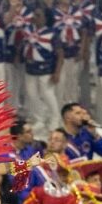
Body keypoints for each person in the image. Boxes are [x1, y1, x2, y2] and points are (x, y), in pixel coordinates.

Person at [20, 7, 62, 135]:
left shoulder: (52, 33)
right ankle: (39, 118)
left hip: (46, 70)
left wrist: (57, 72)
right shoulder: (28, 30)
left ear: (45, 18)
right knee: (32, 95)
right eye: (34, 15)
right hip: (30, 69)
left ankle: (55, 118)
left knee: (48, 95)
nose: (35, 18)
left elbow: (60, 54)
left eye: (38, 15)